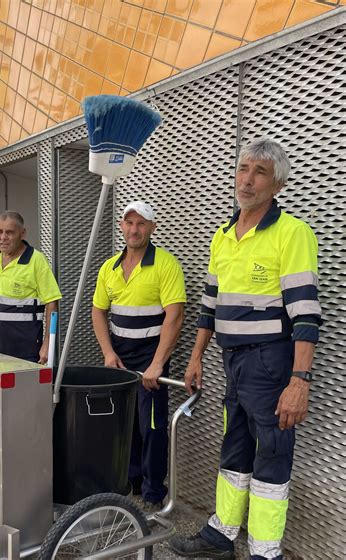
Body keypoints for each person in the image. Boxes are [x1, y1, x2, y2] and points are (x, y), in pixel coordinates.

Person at [169, 138, 322, 559]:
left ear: (277, 185)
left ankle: (264, 551)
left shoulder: (292, 233)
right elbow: (209, 305)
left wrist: (300, 380)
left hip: (271, 362)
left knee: (271, 452)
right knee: (233, 446)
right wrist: (197, 357)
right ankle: (222, 535)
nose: (248, 179)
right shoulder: (223, 235)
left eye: (259, 172)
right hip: (232, 361)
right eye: (243, 169)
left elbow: (307, 314)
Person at [92, 201, 186, 508]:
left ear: (152, 228)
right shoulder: (109, 267)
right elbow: (98, 311)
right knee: (125, 423)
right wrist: (108, 354)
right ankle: (130, 482)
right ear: (121, 226)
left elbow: (175, 315)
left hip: (150, 360)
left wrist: (158, 364)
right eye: (129, 223)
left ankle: (153, 491)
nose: (134, 229)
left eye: (141, 224)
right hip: (119, 357)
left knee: (152, 427)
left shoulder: (165, 264)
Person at [0, 211, 61, 363]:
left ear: (22, 234)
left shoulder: (36, 260)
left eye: (9, 232)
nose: (3, 237)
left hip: (25, 349)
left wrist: (47, 343)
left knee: (24, 387)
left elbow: (52, 303)